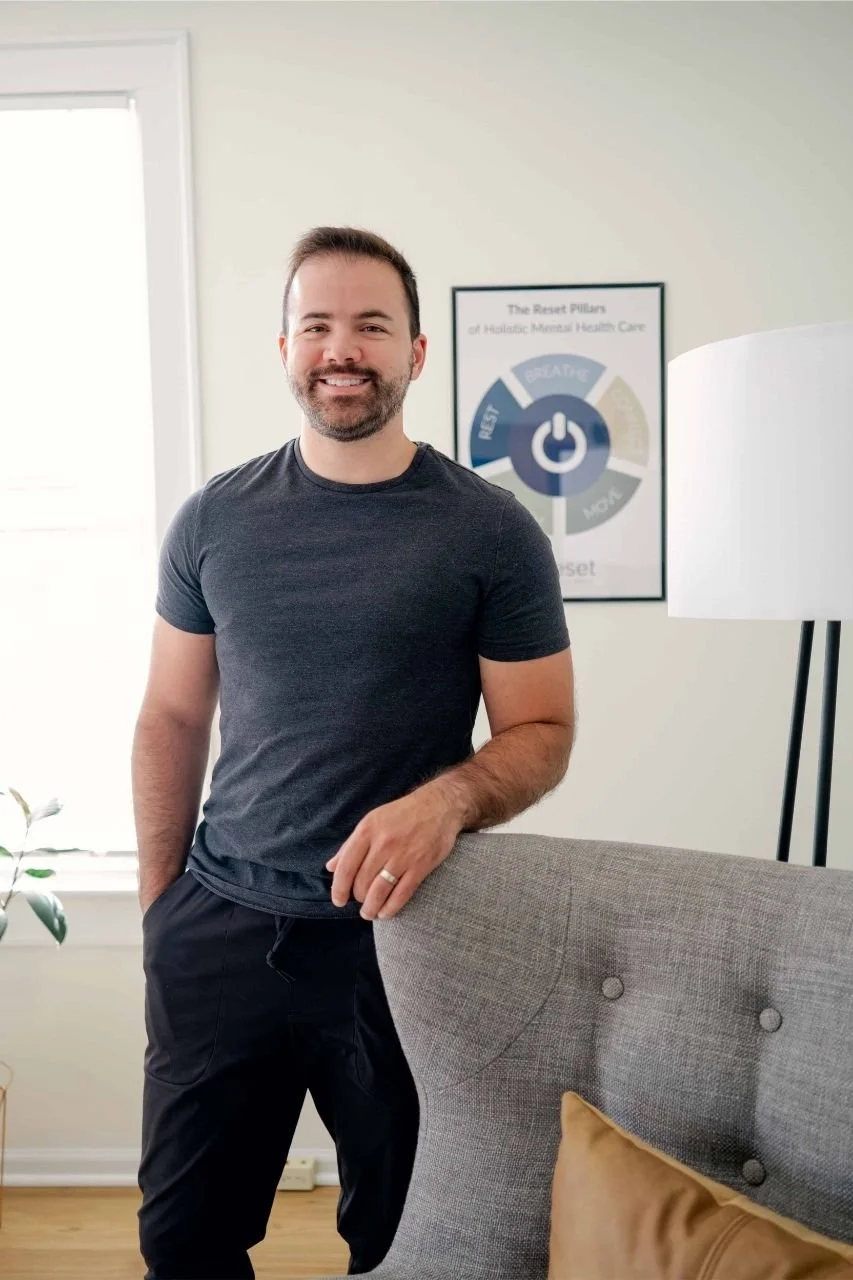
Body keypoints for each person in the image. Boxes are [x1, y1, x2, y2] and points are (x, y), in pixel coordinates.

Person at [133, 226, 575, 1280]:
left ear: (415, 352)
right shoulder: (212, 520)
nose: (343, 347)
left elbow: (542, 730)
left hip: (400, 934)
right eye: (318, 324)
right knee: (181, 1241)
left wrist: (450, 798)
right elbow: (171, 717)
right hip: (219, 928)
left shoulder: (490, 530)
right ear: (283, 345)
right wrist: (162, 904)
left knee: (406, 1239)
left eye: (371, 325)